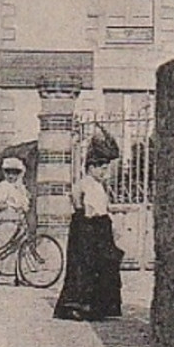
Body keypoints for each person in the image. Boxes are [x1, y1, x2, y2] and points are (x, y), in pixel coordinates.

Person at [53, 135, 125, 320]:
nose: (104, 172)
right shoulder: (85, 185)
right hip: (88, 228)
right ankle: (76, 305)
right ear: (91, 167)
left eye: (105, 168)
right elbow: (83, 206)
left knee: (103, 265)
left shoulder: (96, 186)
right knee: (83, 266)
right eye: (101, 168)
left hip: (97, 228)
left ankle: (98, 306)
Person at [0, 157, 32, 279]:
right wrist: (3, 205)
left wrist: (22, 207)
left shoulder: (20, 188)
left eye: (14, 173)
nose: (11, 176)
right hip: (6, 221)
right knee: (1, 244)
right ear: (4, 173)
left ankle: (16, 271)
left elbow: (25, 204)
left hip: (18, 221)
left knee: (18, 246)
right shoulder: (0, 187)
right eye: (9, 173)